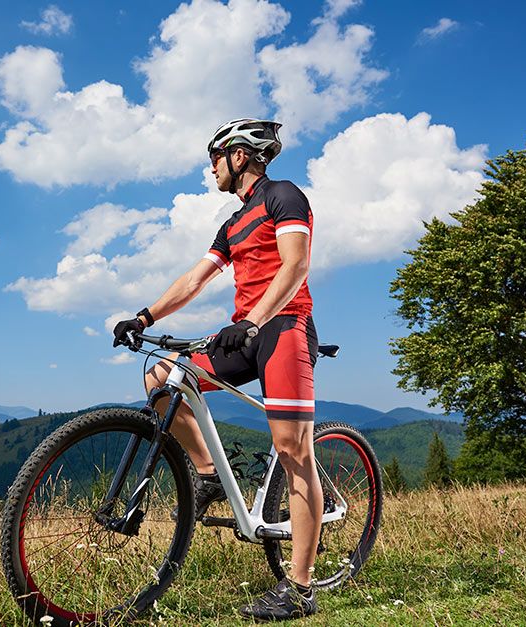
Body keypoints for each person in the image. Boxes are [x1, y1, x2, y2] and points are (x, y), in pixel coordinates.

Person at [112, 118, 321, 621]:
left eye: (216, 158)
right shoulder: (232, 224)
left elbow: (295, 267)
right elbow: (196, 278)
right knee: (162, 377)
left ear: (241, 155)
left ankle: (299, 589)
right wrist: (145, 316)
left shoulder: (284, 197)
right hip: (244, 335)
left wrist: (254, 318)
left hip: (284, 327)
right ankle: (207, 474)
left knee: (294, 449)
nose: (211, 169)